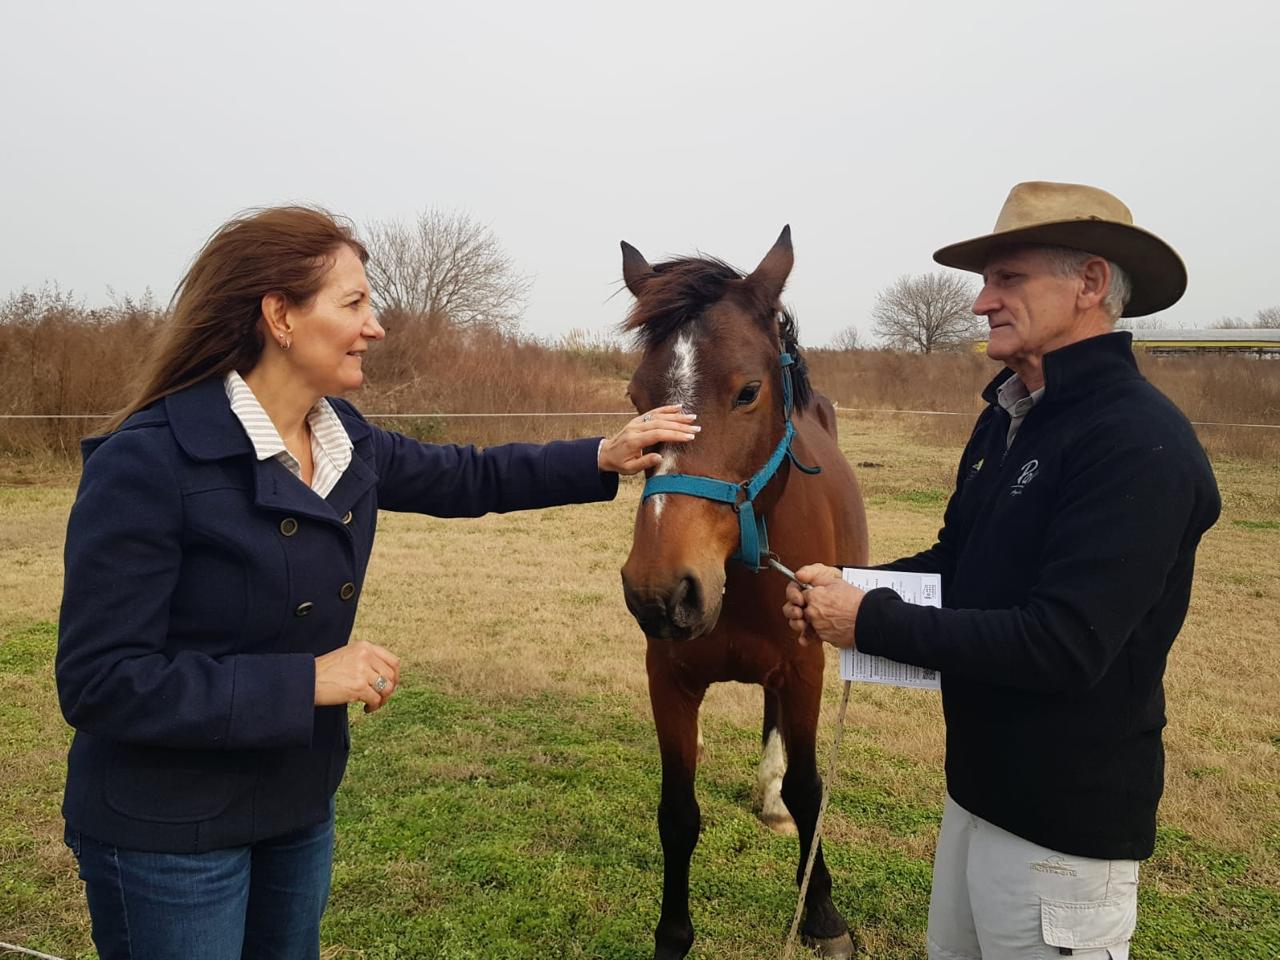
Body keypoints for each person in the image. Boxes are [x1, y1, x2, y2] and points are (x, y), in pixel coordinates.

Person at [56, 205, 697, 960]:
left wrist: (600, 454)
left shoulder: (343, 438)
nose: (376, 326)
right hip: (168, 830)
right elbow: (101, 681)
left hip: (294, 804)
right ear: (280, 317)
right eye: (354, 303)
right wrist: (307, 681)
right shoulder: (148, 461)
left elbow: (468, 475)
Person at [782, 182, 1220, 960]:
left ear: (1090, 283)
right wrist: (843, 587)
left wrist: (866, 618)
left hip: (1063, 835)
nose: (981, 302)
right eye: (985, 282)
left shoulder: (1136, 441)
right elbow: (960, 562)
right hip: (975, 798)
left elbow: (1064, 645)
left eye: (1008, 278)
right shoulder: (1008, 418)